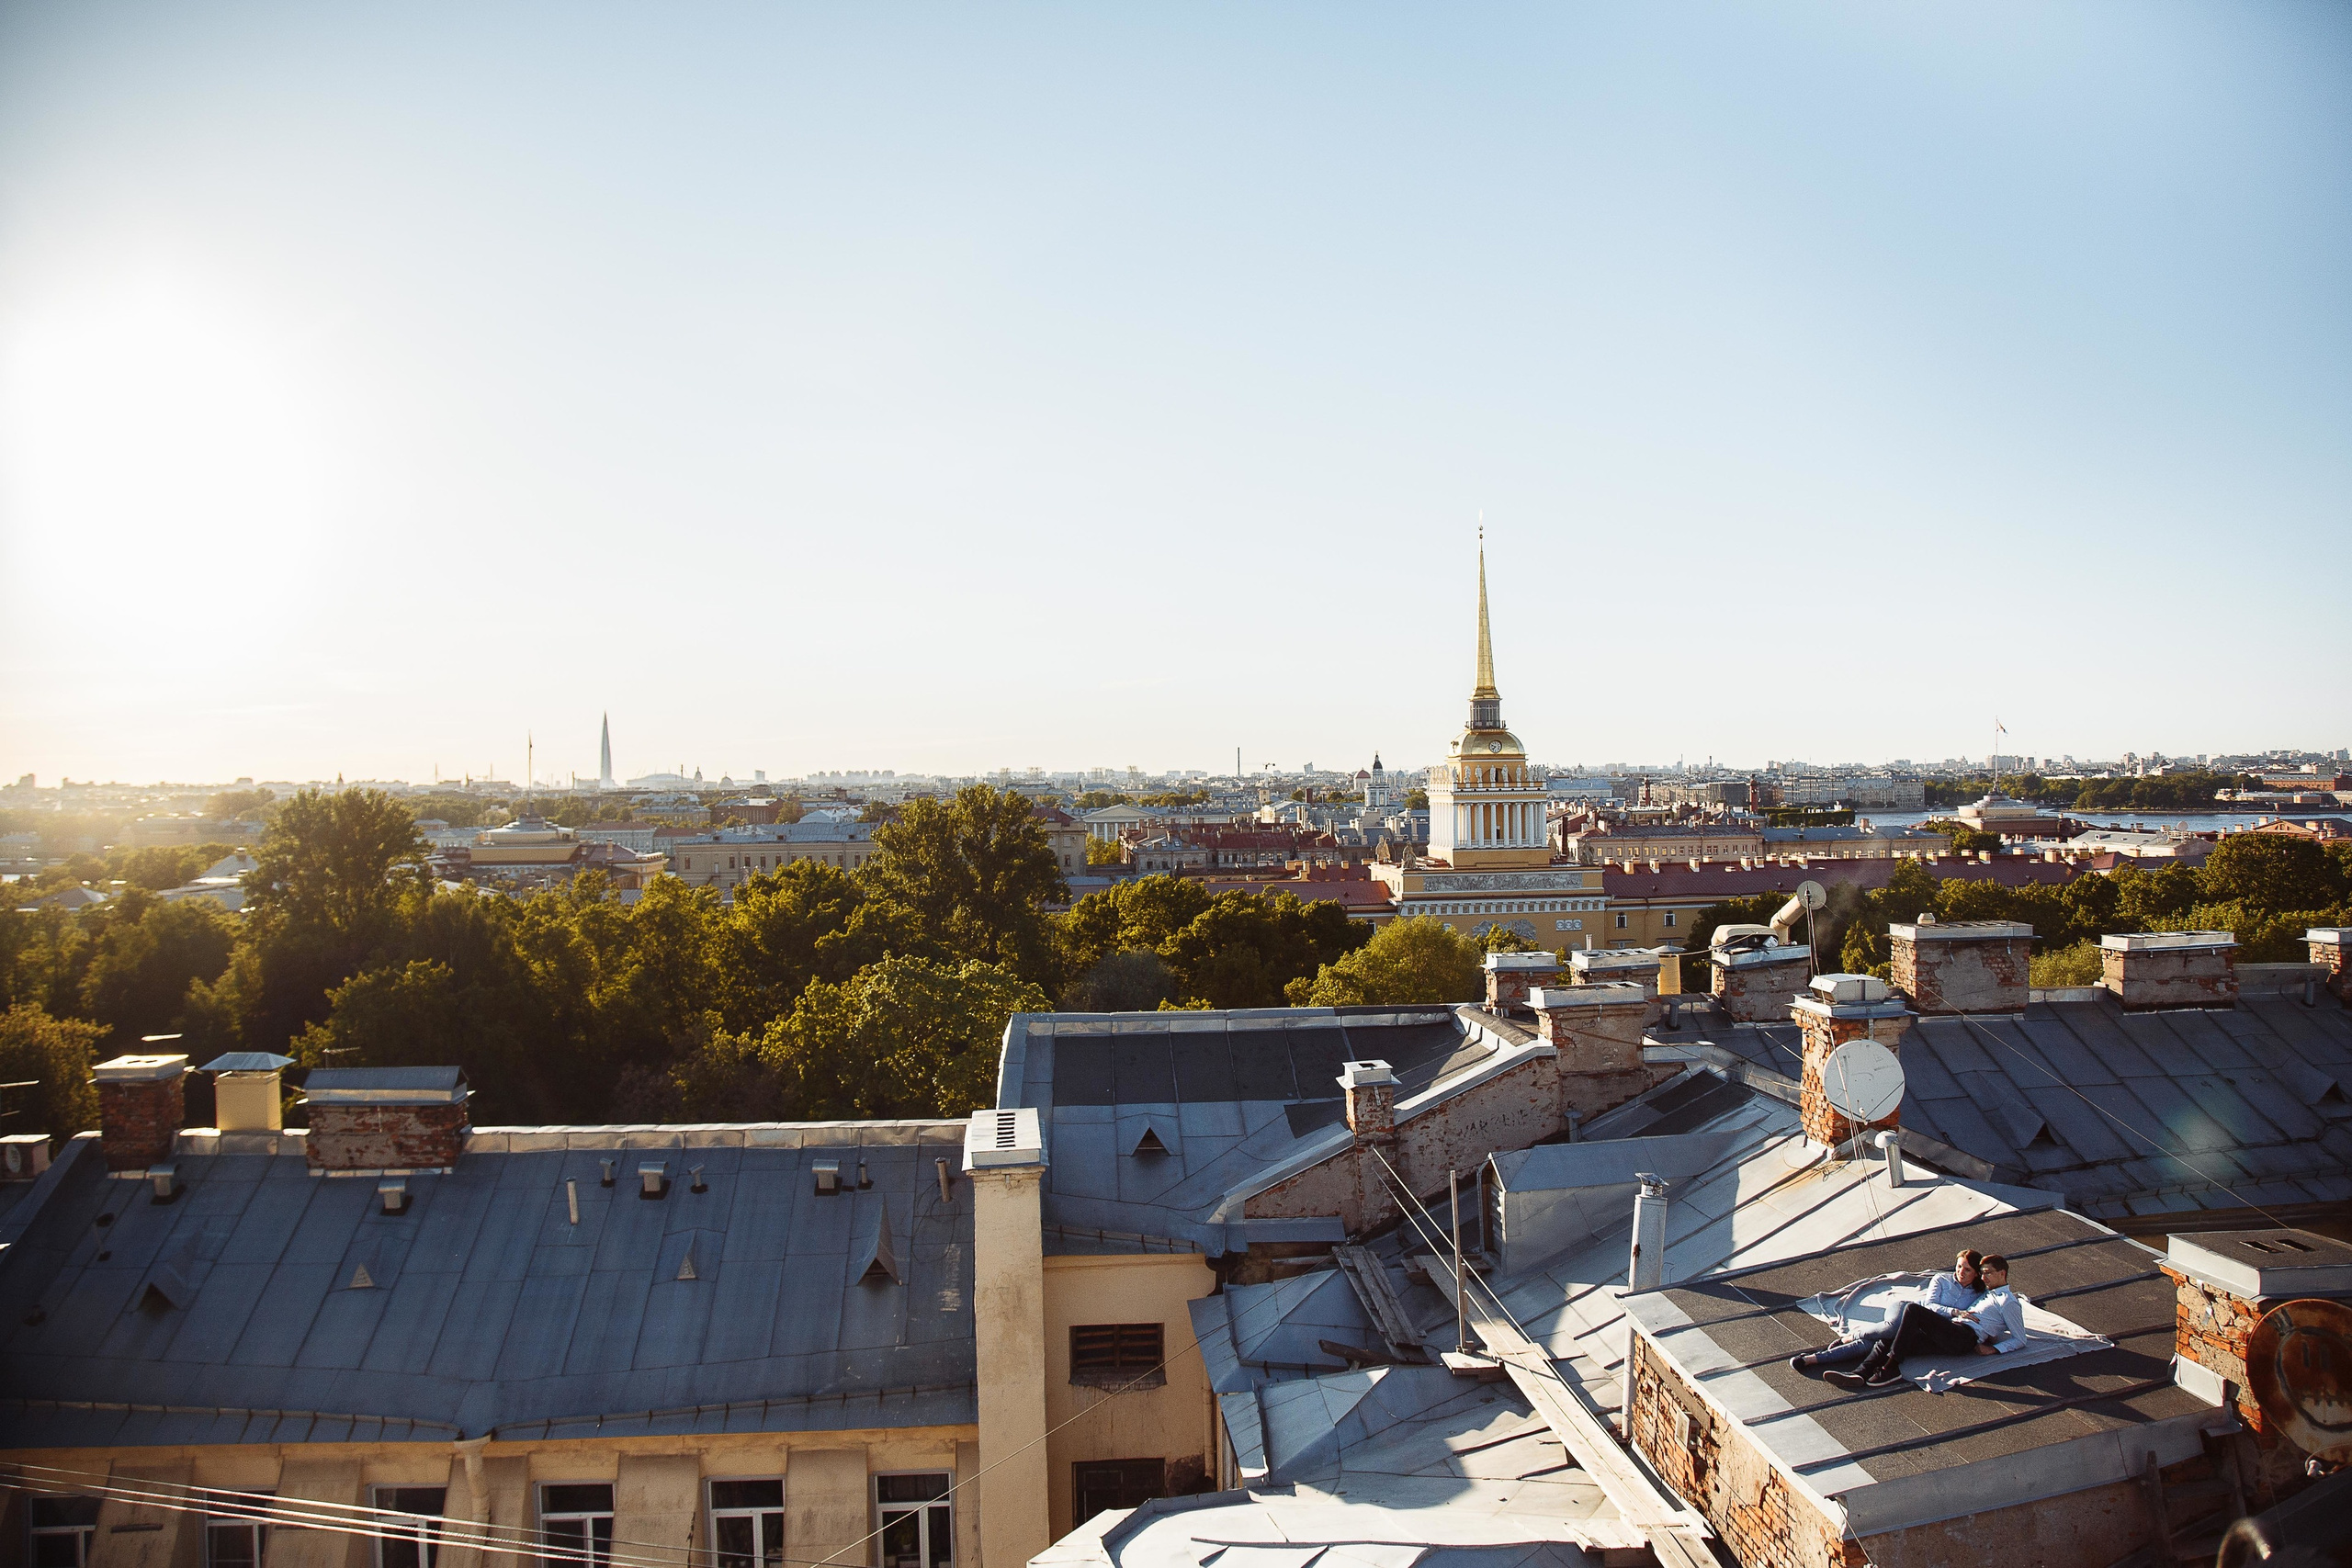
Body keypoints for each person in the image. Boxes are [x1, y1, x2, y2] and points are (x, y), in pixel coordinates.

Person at [1824, 1254, 2023, 1390]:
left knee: (1913, 1310)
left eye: (1988, 1272)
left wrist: (1995, 1349)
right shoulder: (1985, 1292)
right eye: (1982, 1272)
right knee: (1894, 1337)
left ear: (2002, 1274)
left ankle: (1891, 1368)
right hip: (1950, 1333)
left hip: (1964, 1337)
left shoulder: (2008, 1302)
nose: (1983, 1276)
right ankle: (1859, 1374)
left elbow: (2020, 1338)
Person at [1792, 1250, 1980, 1377]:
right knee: (1890, 1329)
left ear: (1976, 1273)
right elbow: (1929, 1306)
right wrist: (1954, 1311)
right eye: (1958, 1266)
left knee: (1869, 1346)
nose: (1960, 1272)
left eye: (1967, 1269)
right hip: (1906, 1310)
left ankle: (1812, 1359)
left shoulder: (1979, 1294)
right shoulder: (1942, 1280)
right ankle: (1849, 1337)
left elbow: (1976, 1319)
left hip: (1923, 1329)